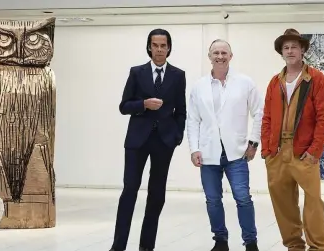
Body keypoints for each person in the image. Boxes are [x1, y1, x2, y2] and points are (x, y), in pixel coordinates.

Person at [109, 28, 187, 251]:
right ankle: (118, 246)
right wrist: (143, 104)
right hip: (137, 141)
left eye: (163, 46)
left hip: (164, 142)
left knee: (157, 194)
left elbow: (181, 111)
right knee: (130, 190)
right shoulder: (136, 72)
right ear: (149, 47)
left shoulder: (178, 75)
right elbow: (124, 106)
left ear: (169, 48)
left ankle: (146, 246)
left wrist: (176, 136)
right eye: (155, 45)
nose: (159, 49)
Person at [187, 39, 263, 251]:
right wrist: (194, 149)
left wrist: (254, 142)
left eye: (224, 53)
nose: (220, 56)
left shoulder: (245, 82)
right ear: (209, 56)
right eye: (215, 53)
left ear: (231, 56)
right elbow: (192, 120)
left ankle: (251, 242)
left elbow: (259, 113)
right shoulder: (199, 86)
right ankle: (220, 241)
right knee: (212, 200)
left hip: (237, 153)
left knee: (243, 198)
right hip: (208, 153)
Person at [261, 28, 324, 251]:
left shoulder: (317, 79)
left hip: (304, 152)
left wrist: (315, 151)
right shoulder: (275, 81)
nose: (290, 51)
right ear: (281, 52)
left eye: (294, 46)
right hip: (277, 152)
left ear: (302, 50)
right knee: (283, 205)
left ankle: (319, 247)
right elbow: (267, 117)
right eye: (286, 47)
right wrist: (267, 150)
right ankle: (294, 246)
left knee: (313, 204)